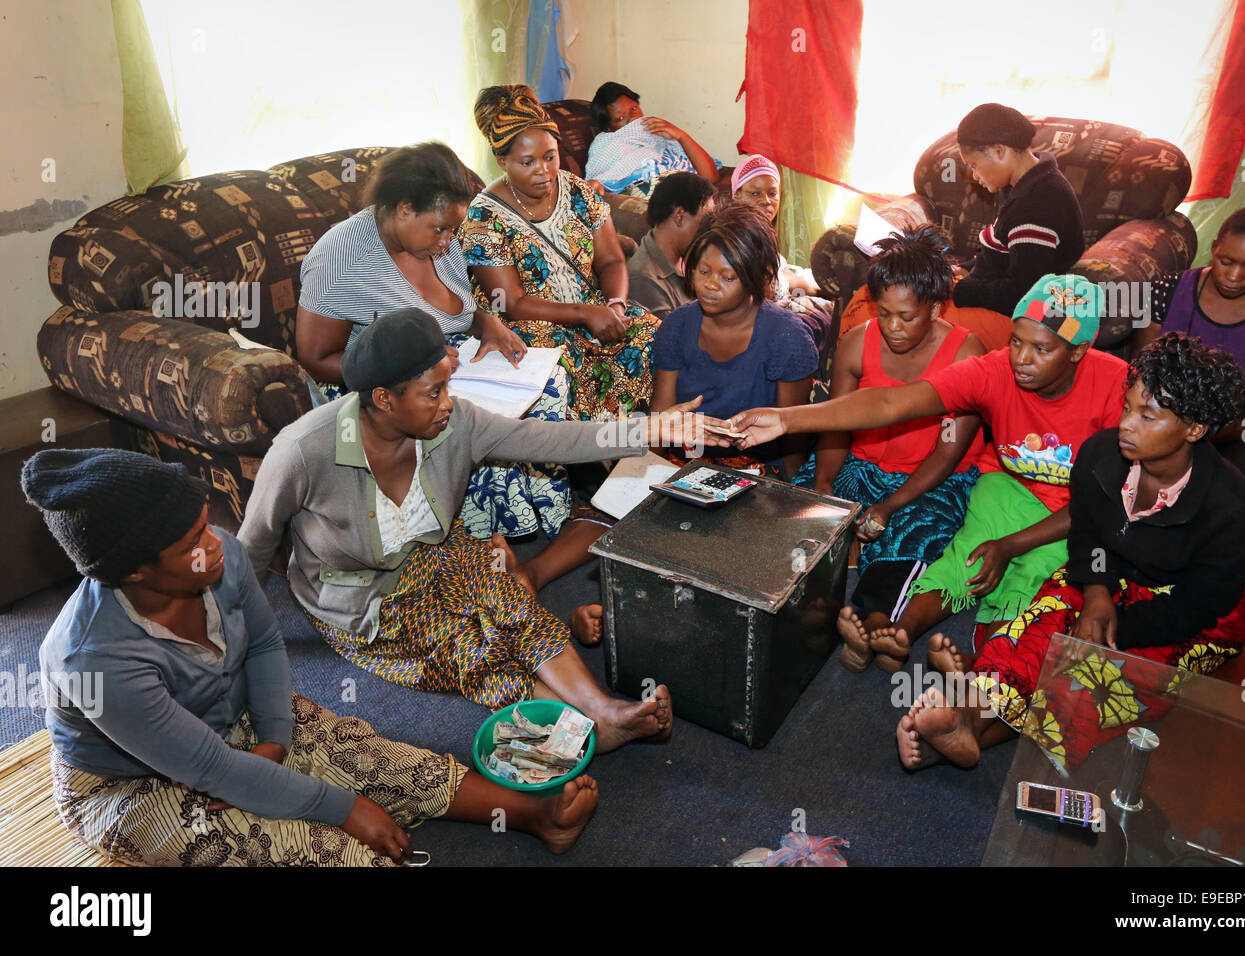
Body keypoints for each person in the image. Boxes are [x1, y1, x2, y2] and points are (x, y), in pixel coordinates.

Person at [25, 448, 599, 866]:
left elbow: (266, 644)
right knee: (317, 851)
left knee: (371, 756)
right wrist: (347, 810)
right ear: (133, 572)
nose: (215, 545)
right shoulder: (93, 660)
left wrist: (274, 735)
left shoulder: (217, 556)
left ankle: (532, 815)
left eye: (206, 528)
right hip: (134, 783)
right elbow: (212, 769)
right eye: (191, 545)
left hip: (228, 717)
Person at [239, 309, 726, 740]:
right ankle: (589, 726)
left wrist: (648, 429)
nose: (447, 402)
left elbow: (549, 441)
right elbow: (254, 546)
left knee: (506, 596)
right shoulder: (303, 451)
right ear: (385, 399)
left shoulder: (454, 423)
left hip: (439, 552)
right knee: (468, 647)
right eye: (433, 393)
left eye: (447, 385)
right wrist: (244, 645)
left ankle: (603, 709)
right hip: (362, 596)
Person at [903, 333, 1245, 773]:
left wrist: (1112, 630)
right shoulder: (1100, 455)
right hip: (1106, 575)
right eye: (1127, 407)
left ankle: (969, 732)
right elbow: (1088, 534)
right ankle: (967, 722)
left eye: (1148, 416)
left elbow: (1203, 603)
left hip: (1186, 609)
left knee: (1099, 675)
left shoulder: (1232, 506)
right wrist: (1096, 595)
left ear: (1194, 428)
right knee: (1035, 629)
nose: (1127, 423)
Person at [733, 274, 1130, 671]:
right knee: (967, 554)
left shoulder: (1115, 386)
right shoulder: (993, 371)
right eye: (1016, 341)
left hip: (1078, 508)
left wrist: (1011, 545)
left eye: (1041, 349)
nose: (1022, 359)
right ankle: (900, 632)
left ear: (1078, 351)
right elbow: (890, 402)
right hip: (1007, 485)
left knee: (1036, 573)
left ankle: (986, 662)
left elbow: (1101, 503)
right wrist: (787, 420)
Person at [294, 141, 576, 550]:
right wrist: (411, 367)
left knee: (548, 384)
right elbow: (316, 359)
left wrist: (487, 322)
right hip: (376, 376)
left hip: (445, 356)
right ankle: (477, 543)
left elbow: (456, 309)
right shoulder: (342, 259)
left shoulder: (433, 241)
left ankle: (531, 518)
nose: (448, 241)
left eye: (453, 229)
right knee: (467, 414)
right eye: (440, 228)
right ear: (404, 209)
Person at [790, 227, 988, 672]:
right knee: (802, 514)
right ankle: (859, 621)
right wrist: (825, 487)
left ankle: (875, 621)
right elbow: (836, 424)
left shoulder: (966, 355)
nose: (893, 328)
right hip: (860, 461)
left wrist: (887, 505)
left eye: (907, 316)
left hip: (932, 476)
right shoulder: (858, 342)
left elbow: (948, 452)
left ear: (935, 308)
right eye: (884, 314)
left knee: (915, 533)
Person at [458, 84, 659, 422]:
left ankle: (645, 440)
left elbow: (610, 259)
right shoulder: (484, 217)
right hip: (528, 325)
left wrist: (615, 305)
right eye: (527, 162)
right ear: (502, 161)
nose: (544, 170)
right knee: (561, 364)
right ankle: (585, 460)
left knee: (651, 332)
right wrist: (585, 314)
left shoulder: (577, 190)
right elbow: (511, 302)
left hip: (592, 311)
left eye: (549, 156)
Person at [1131, 206, 1245, 519]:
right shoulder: (1167, 290)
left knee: (1219, 498)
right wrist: (1170, 423)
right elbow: (1143, 370)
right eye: (1227, 261)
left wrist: (1218, 430)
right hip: (1171, 417)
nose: (1234, 276)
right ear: (1215, 248)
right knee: (1131, 473)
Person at [650, 203, 817, 477]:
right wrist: (643, 478)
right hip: (685, 464)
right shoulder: (677, 326)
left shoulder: (788, 338)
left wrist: (792, 492)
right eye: (703, 272)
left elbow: (792, 435)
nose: (711, 285)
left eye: (728, 277)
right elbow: (660, 423)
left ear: (759, 276)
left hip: (759, 469)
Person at [950, 103, 1085, 318]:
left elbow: (1022, 294)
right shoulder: (1020, 186)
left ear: (999, 151)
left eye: (974, 165)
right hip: (989, 298)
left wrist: (959, 290)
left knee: (916, 316)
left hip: (1014, 317)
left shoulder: (1037, 205)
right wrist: (964, 269)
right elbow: (1001, 254)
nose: (974, 176)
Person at [729, 154, 834, 358]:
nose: (766, 201)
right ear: (737, 196)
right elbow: (763, 303)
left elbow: (779, 276)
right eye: (755, 194)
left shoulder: (763, 230)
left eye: (772, 193)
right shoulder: (741, 237)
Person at [584, 81, 720, 197]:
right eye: (620, 118)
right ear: (608, 128)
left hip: (684, 191)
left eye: (633, 108)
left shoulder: (658, 132)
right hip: (654, 196)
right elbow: (595, 182)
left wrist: (681, 136)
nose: (633, 118)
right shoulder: (607, 142)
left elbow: (711, 176)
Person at [627, 172, 717, 319]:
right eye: (705, 222)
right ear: (680, 216)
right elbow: (674, 339)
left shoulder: (686, 259)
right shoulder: (645, 282)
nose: (709, 231)